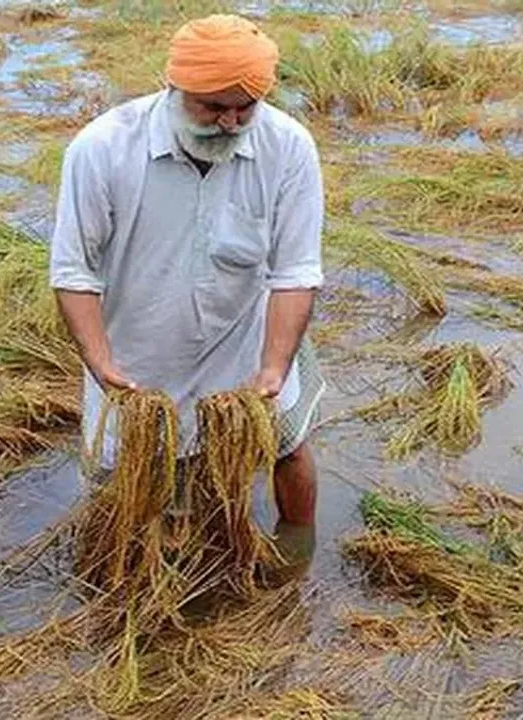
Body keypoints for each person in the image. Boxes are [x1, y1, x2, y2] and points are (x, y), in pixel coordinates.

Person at [47, 14, 326, 535]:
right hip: (137, 358)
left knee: (286, 448)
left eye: (246, 108)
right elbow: (73, 271)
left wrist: (273, 367)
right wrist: (101, 363)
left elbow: (295, 271)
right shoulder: (102, 149)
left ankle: (295, 563)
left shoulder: (288, 147)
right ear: (172, 87)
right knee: (127, 483)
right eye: (214, 107)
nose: (230, 123)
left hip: (252, 344)